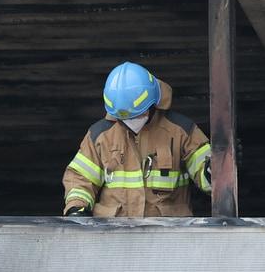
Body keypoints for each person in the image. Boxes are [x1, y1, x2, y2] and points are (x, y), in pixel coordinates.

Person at [62, 62, 212, 219]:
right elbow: (80, 179)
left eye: (137, 115)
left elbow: (207, 173)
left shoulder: (181, 131)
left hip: (168, 237)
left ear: (152, 104)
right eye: (123, 118)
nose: (130, 121)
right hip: (114, 237)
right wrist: (77, 208)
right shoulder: (100, 135)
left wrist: (214, 169)